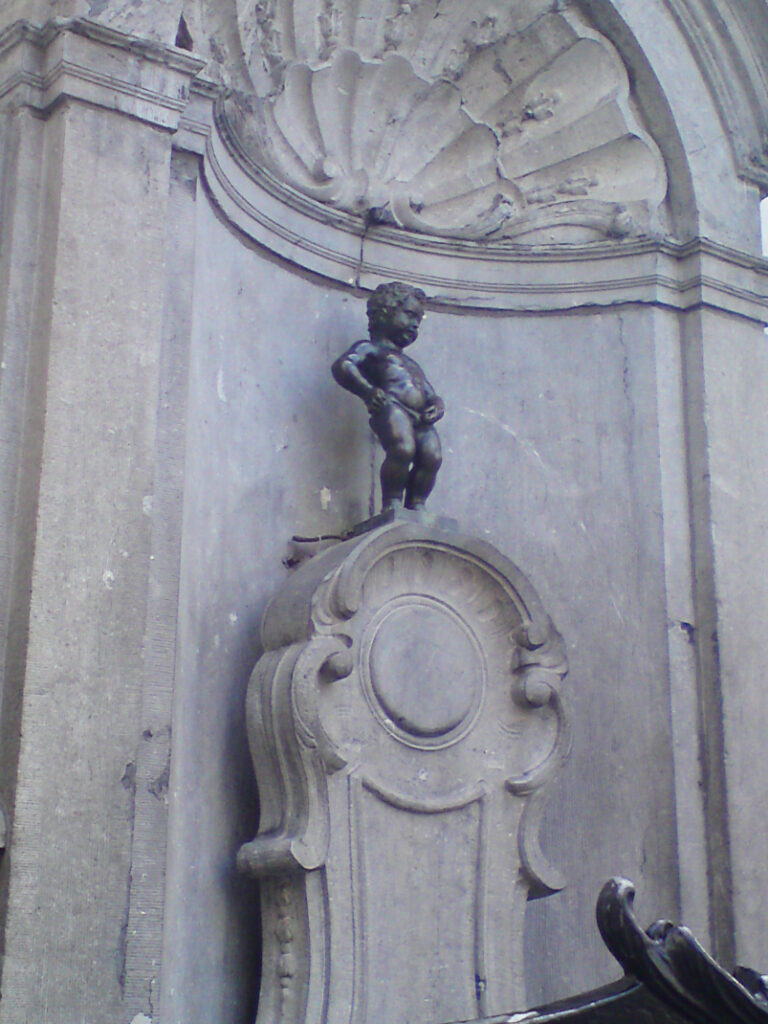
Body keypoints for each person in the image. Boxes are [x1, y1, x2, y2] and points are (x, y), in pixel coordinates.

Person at [332, 281, 444, 511]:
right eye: (410, 315)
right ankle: (392, 502)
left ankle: (417, 504)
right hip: (392, 406)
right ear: (385, 313)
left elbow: (429, 391)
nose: (415, 324)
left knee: (432, 457)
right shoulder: (370, 349)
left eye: (418, 320)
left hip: (421, 417)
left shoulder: (410, 362)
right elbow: (343, 366)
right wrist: (367, 391)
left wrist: (437, 404)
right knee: (403, 449)